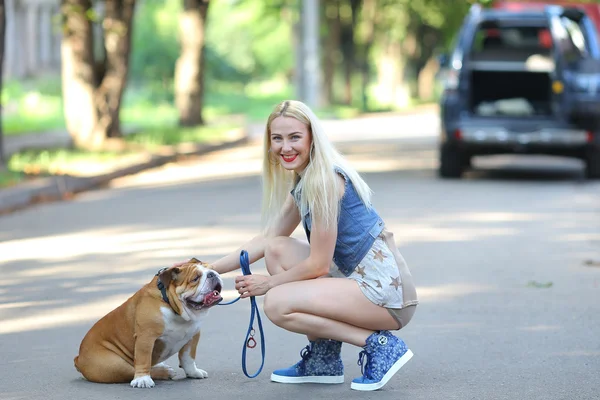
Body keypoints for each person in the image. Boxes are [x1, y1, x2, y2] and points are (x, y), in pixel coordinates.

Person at [193, 100, 418, 391]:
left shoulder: (323, 180)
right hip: (358, 284)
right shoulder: (306, 179)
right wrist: (205, 270)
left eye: (294, 137)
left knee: (276, 303)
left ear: (312, 137)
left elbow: (319, 265)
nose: (285, 147)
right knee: (277, 247)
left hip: (387, 296)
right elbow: (266, 240)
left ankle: (379, 344)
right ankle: (323, 359)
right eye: (277, 138)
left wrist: (268, 284)